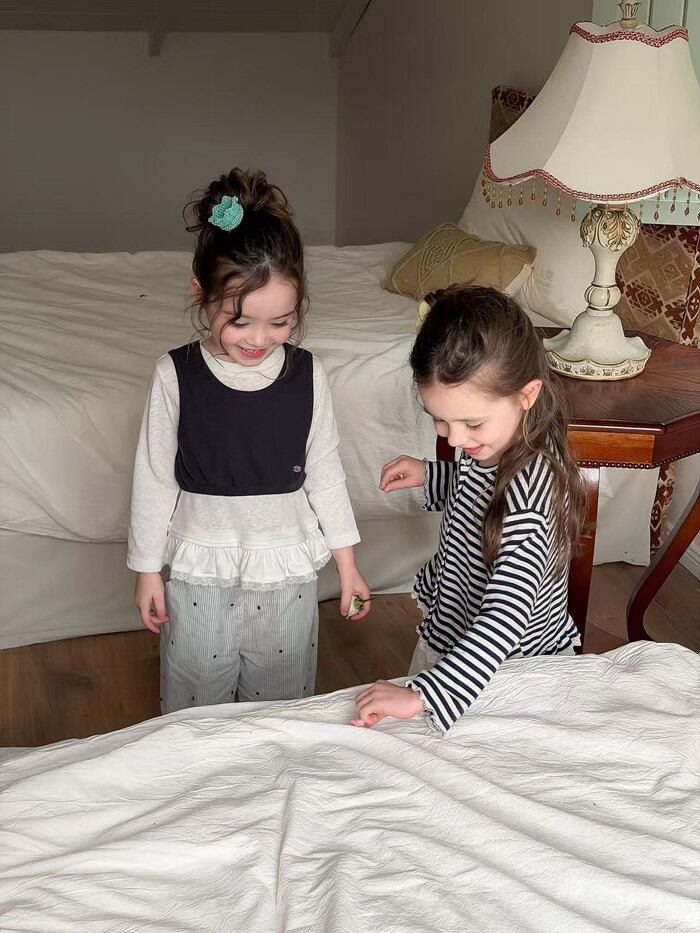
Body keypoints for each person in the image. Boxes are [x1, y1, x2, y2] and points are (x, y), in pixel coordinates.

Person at [128, 168, 369, 714]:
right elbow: (155, 478)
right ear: (201, 294)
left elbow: (325, 471)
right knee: (196, 701)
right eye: (240, 323)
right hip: (199, 569)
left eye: (281, 323)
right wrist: (146, 569)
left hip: (286, 570)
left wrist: (347, 562)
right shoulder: (174, 375)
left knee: (281, 703)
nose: (260, 340)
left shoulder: (309, 375)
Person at [354, 285, 584, 734]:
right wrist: (430, 475)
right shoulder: (499, 441)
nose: (455, 440)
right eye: (439, 419)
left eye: (471, 424)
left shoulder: (532, 494)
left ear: (527, 394)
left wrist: (424, 695)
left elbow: (504, 618)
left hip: (505, 667)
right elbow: (476, 493)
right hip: (458, 628)